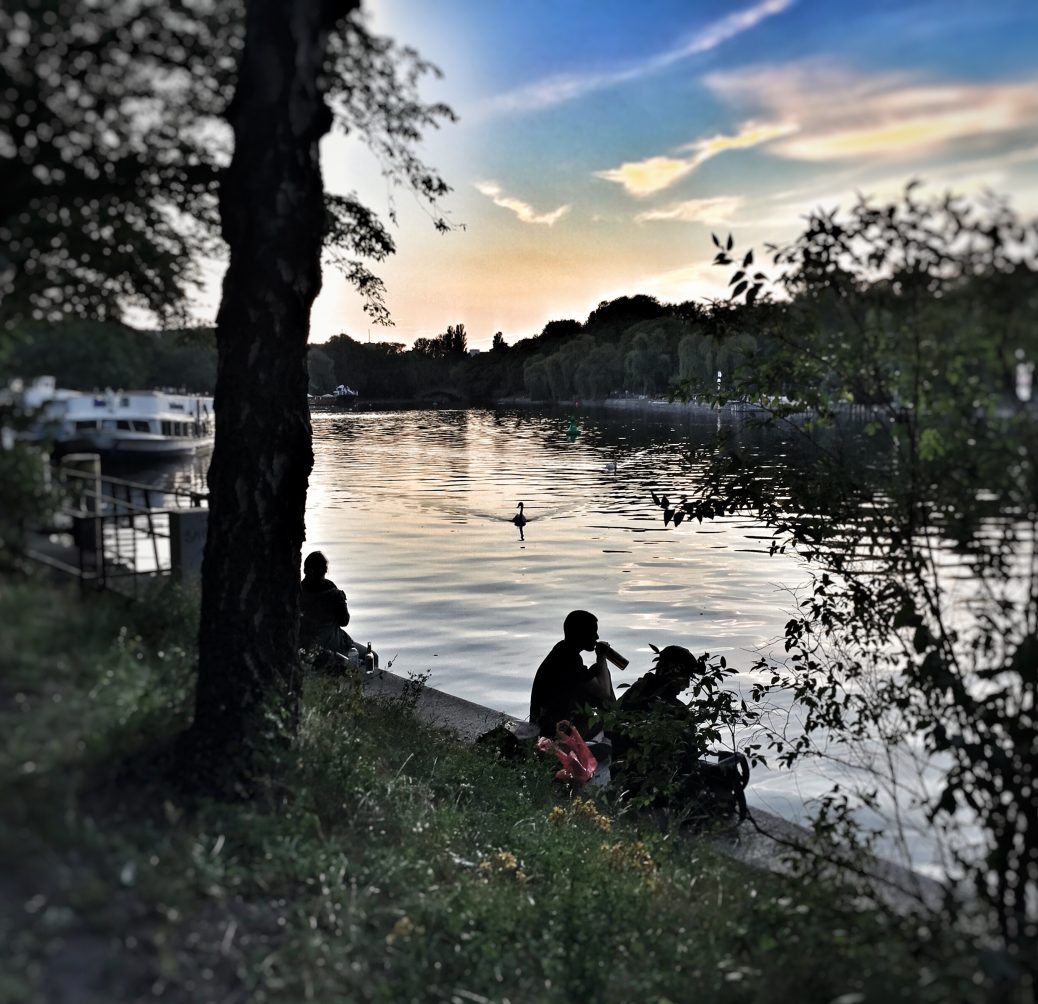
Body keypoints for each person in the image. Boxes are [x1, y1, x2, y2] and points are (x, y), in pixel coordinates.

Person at [530, 610, 616, 738]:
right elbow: (604, 693)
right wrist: (601, 657)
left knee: (597, 670)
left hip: (548, 723)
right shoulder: (569, 659)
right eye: (593, 632)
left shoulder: (562, 650)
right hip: (554, 731)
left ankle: (614, 721)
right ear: (581, 634)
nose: (597, 637)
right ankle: (615, 725)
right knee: (601, 674)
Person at [299, 550, 355, 661]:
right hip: (332, 646)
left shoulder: (297, 593)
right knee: (372, 655)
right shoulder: (334, 594)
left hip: (305, 646)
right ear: (324, 571)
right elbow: (344, 621)